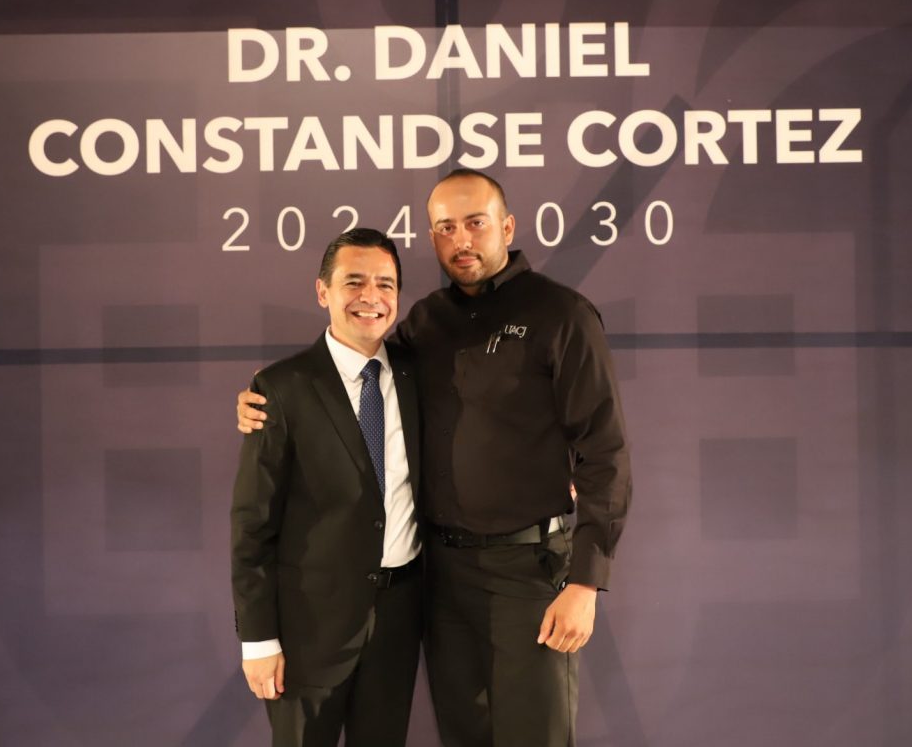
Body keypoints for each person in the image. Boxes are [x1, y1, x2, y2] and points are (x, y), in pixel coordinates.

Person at [238, 170, 632, 747]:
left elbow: (606, 453)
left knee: (535, 736)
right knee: (463, 734)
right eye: (446, 228)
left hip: (529, 574)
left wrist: (586, 583)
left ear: (507, 227)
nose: (461, 240)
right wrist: (271, 394)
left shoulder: (562, 315)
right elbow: (350, 370)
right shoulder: (426, 321)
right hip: (440, 579)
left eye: (475, 223)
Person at [230, 228, 423, 747]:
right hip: (306, 634)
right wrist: (257, 640)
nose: (370, 296)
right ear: (323, 292)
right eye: (353, 282)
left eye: (385, 284)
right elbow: (252, 526)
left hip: (398, 622)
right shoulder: (281, 389)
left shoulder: (418, 375)